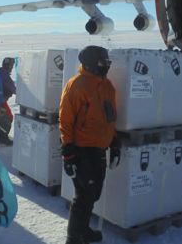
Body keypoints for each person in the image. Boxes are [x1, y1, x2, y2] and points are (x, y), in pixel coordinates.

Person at [59, 45, 120, 244]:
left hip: (99, 148)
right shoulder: (77, 85)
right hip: (81, 148)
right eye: (103, 63)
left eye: (108, 63)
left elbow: (110, 117)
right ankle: (73, 238)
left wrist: (115, 141)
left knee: (94, 193)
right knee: (84, 195)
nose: (107, 66)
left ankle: (83, 230)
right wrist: (68, 152)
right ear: (91, 64)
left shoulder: (108, 86)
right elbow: (65, 120)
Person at [0, 57, 16, 146]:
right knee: (9, 117)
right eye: (11, 65)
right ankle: (3, 138)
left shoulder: (0, 72)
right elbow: (13, 88)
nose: (12, 67)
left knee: (5, 117)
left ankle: (2, 137)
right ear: (8, 65)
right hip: (0, 101)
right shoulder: (4, 75)